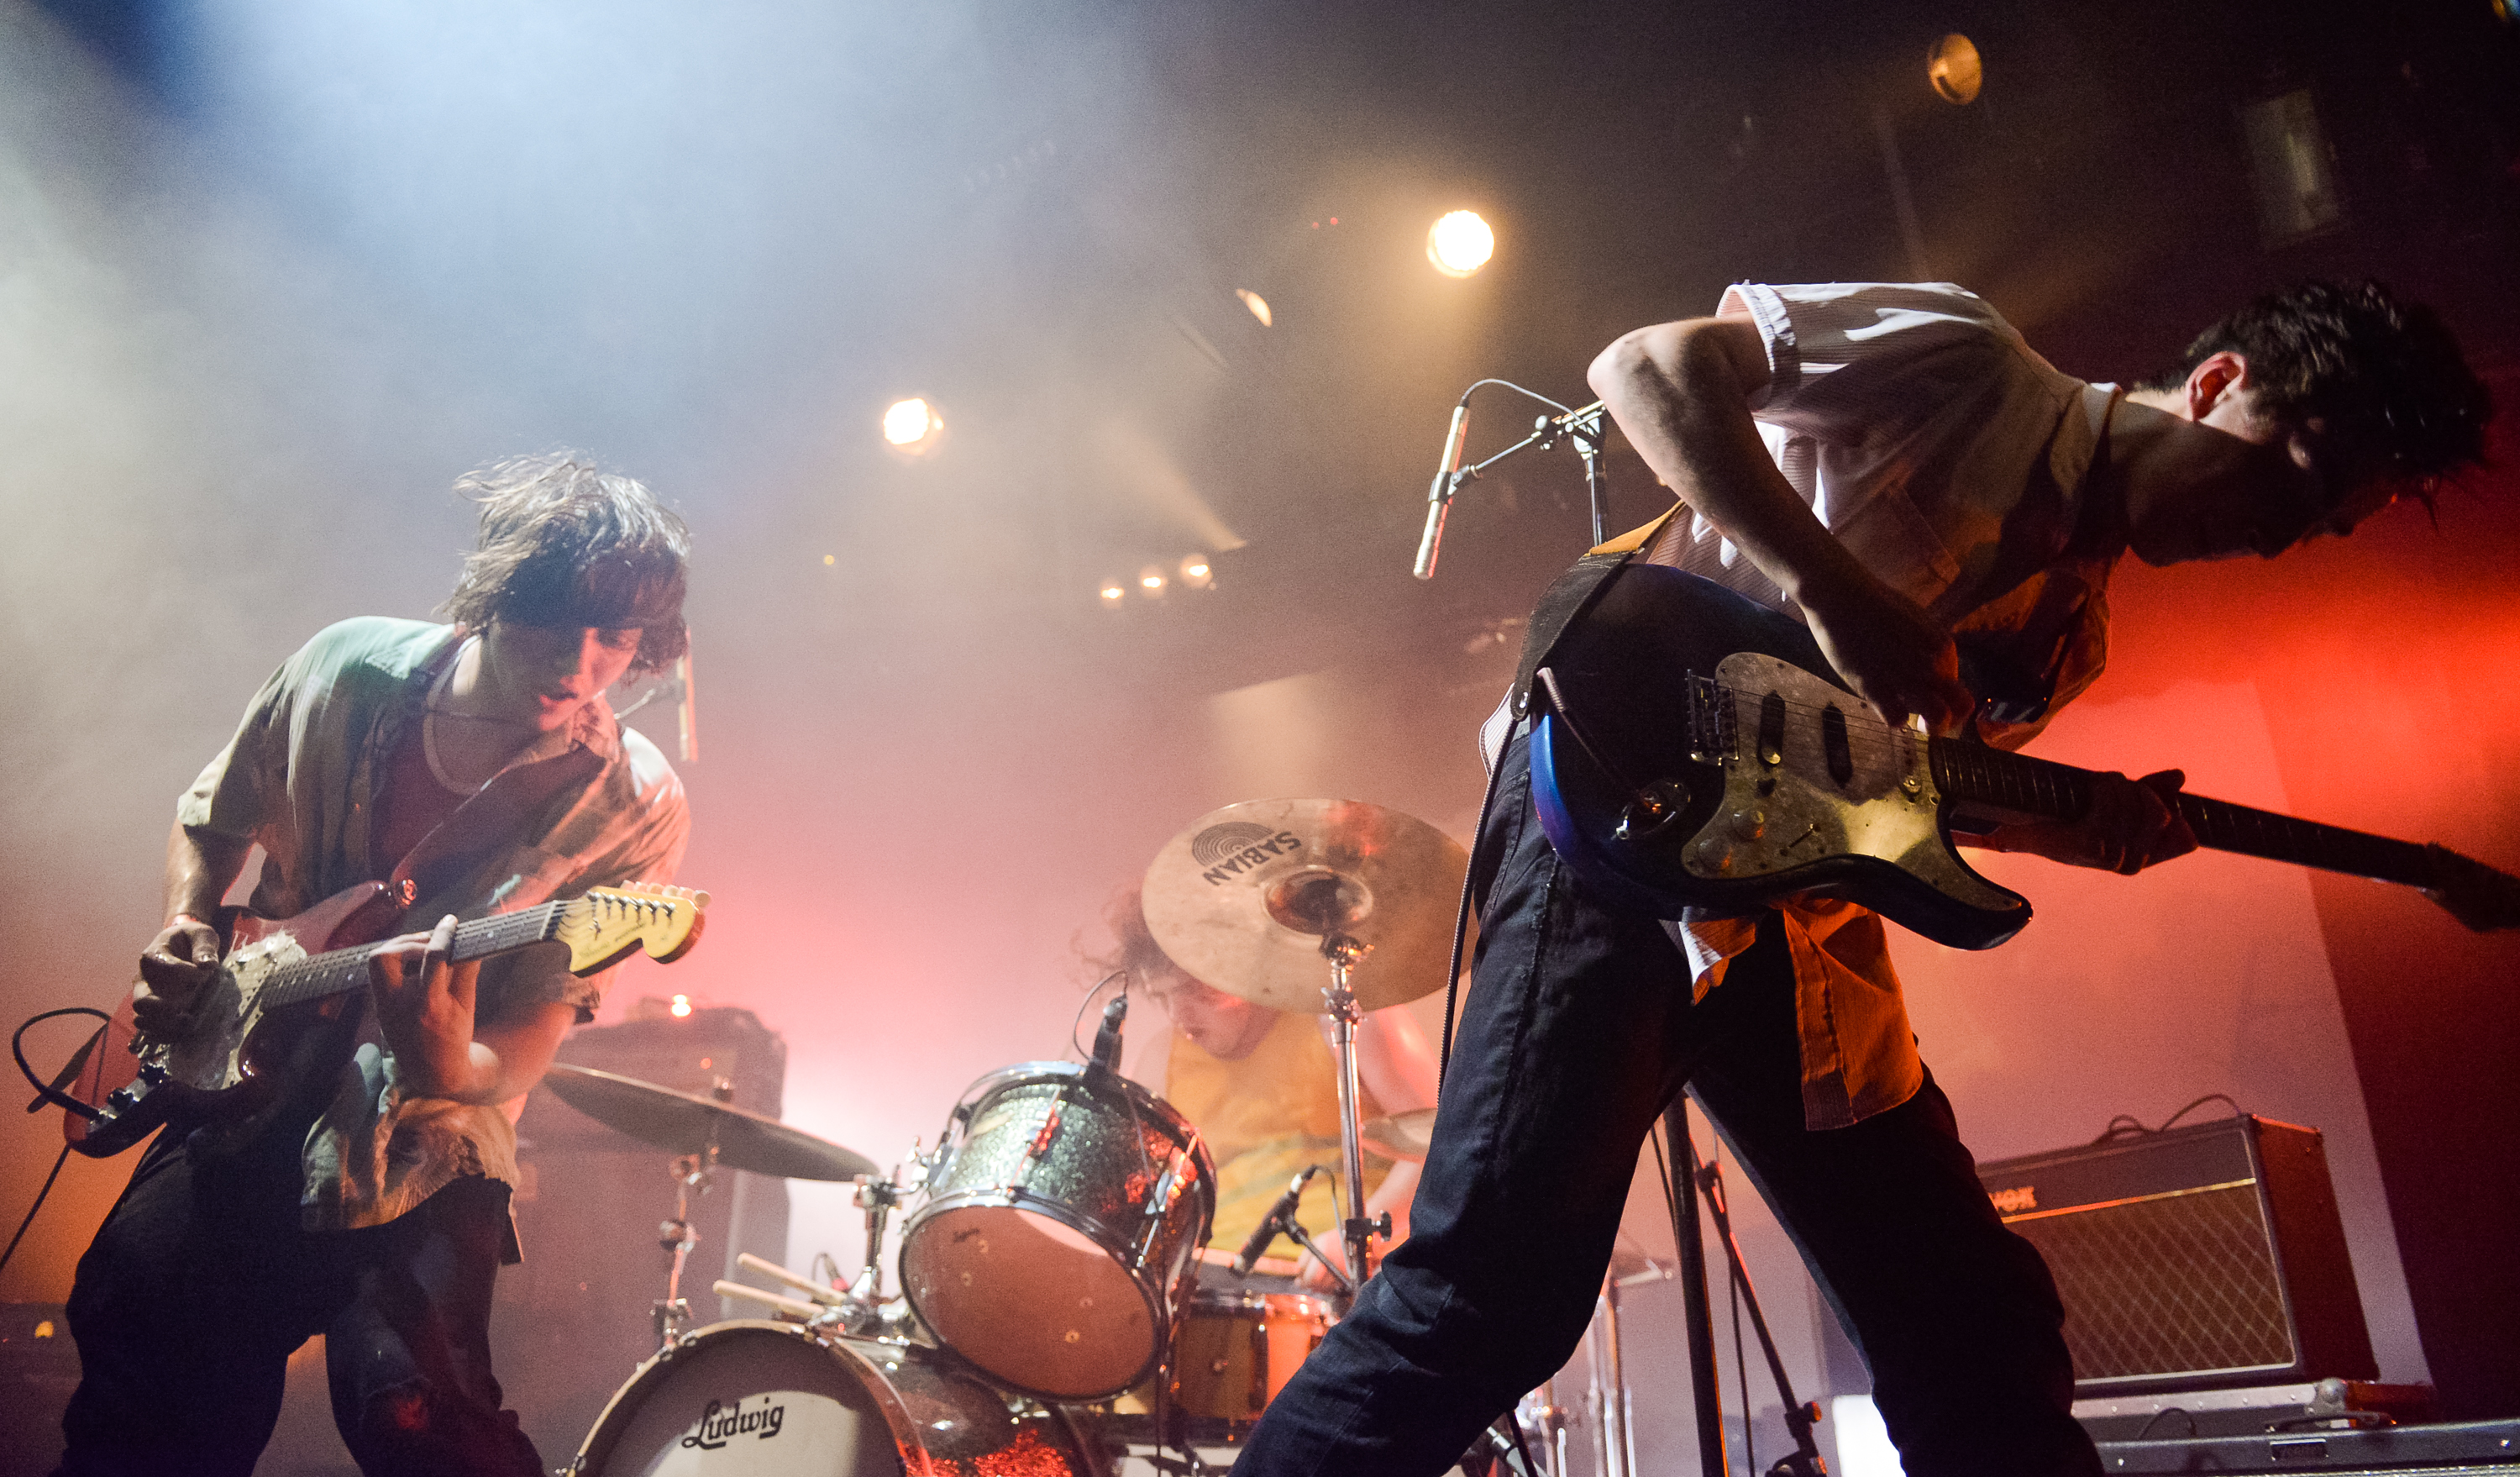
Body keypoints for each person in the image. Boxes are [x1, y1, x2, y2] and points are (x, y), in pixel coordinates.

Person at [1229, 280, 2492, 1477]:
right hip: (1625, 812)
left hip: (1798, 925)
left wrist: (2068, 827)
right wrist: (1834, 588)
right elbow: (1648, 367)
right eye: (2297, 476)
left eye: (2322, 526)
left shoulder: (2073, 633)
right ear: (2218, 383)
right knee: (1491, 1297)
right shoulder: (1973, 364)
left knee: (1974, 1320)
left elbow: (1900, 792)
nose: (2281, 533)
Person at [55, 455, 696, 1477]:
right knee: (141, 1343)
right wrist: (187, 921)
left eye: (616, 639)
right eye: (555, 624)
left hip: (425, 1128)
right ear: (497, 596)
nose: (582, 665)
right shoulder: (342, 670)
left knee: (420, 1415)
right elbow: (213, 817)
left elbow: (531, 1034)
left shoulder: (632, 800)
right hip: (244, 1072)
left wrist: (452, 1064)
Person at [1094, 886, 1440, 1291]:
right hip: (1210, 1289)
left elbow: (1442, 1147)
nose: (1177, 1013)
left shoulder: (1342, 1014)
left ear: (1243, 962)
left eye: (1192, 989)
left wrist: (1361, 1240)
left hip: (1346, 1284)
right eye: (1160, 995)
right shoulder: (1159, 1060)